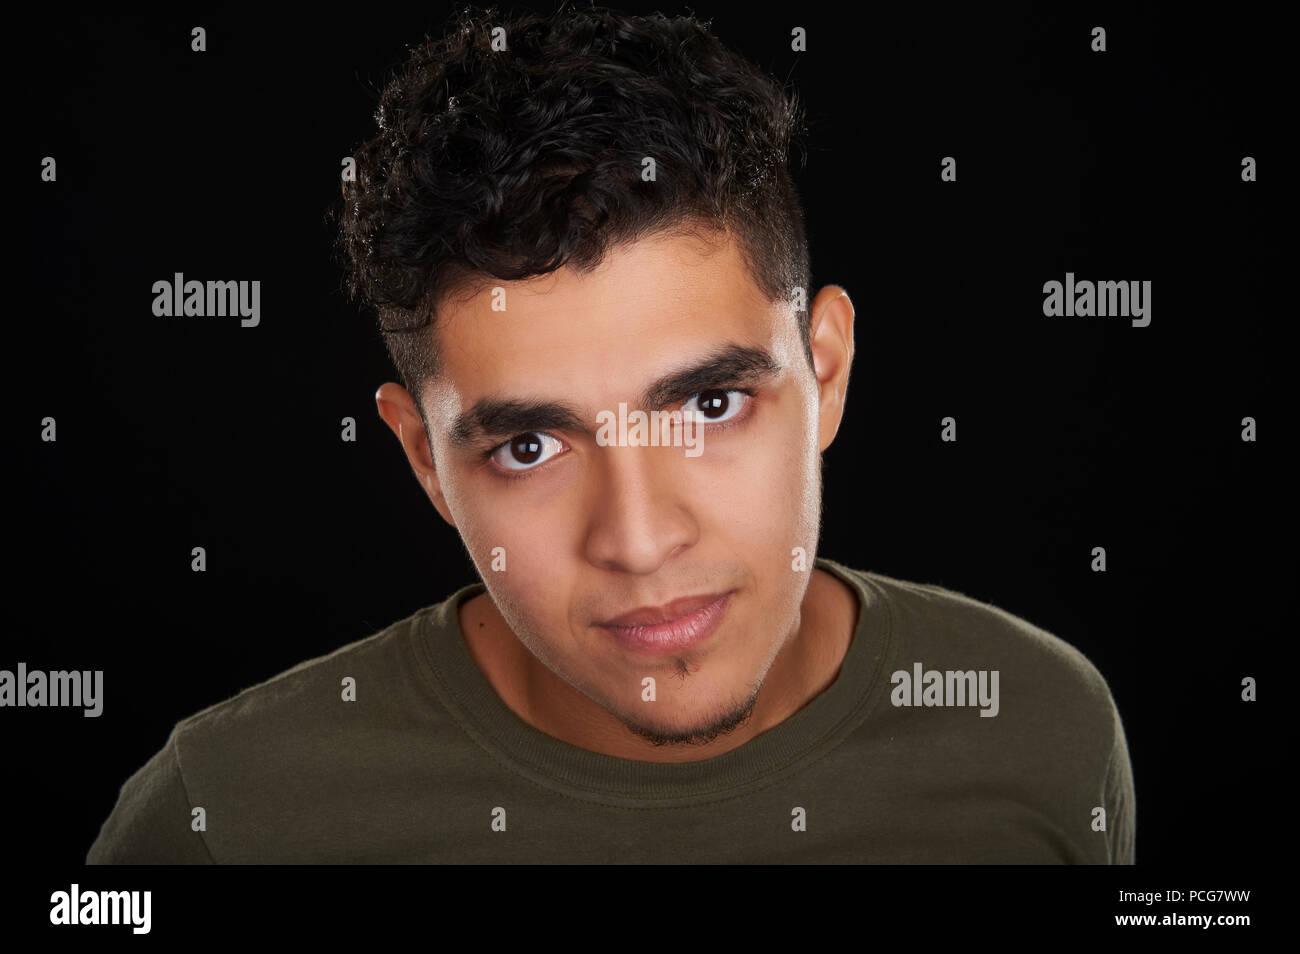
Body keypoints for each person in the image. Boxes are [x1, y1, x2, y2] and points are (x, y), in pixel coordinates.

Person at [87, 3, 1133, 864]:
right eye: (530, 447)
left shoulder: (1040, 729)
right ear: (427, 464)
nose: (637, 541)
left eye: (708, 407)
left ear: (824, 371)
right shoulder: (222, 819)